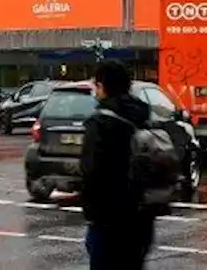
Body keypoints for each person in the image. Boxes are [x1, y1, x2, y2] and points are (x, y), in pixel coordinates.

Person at [80, 60, 156, 269]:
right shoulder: (142, 115)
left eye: (96, 85)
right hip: (141, 217)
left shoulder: (101, 123)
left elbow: (91, 170)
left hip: (108, 219)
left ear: (102, 85)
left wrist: (84, 202)